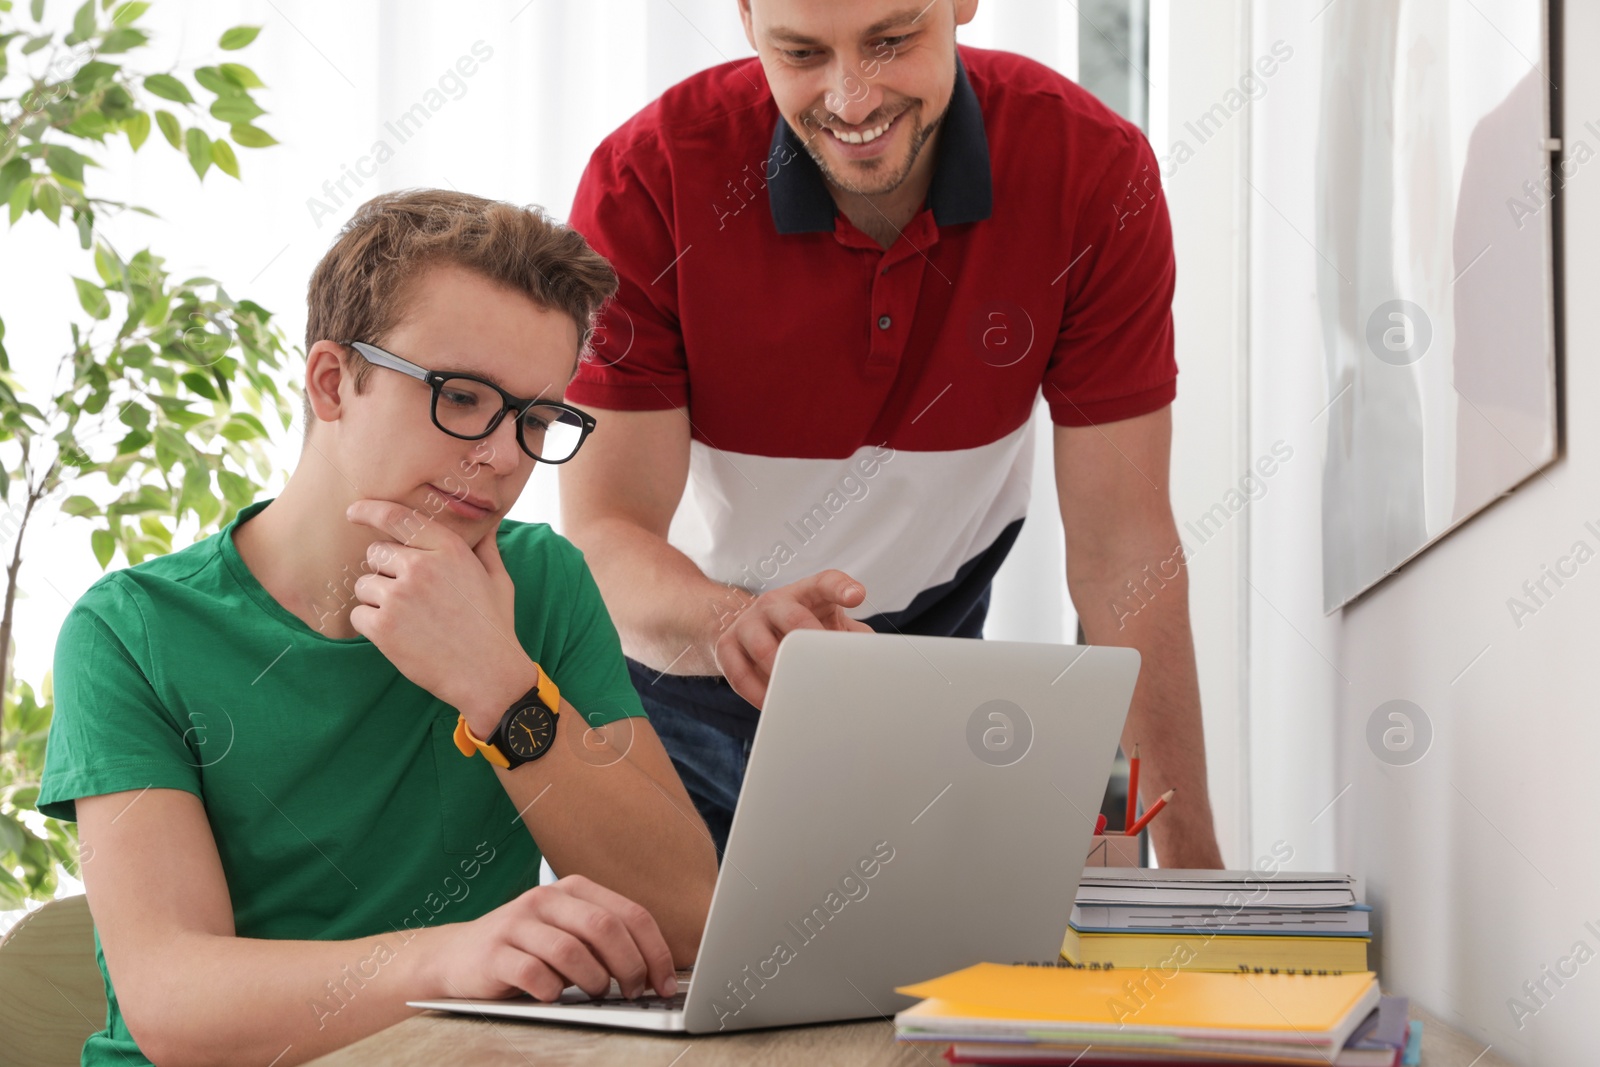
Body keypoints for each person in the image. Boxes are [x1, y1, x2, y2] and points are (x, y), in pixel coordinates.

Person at [36, 190, 718, 1067]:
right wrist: (452, 958)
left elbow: (689, 919)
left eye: (537, 419)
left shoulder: (540, 584)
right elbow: (174, 1001)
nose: (505, 455)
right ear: (331, 382)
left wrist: (500, 688)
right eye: (463, 397)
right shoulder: (131, 630)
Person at [559, 0, 1225, 868]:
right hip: (674, 685)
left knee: (935, 993)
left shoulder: (1090, 172)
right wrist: (735, 622)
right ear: (748, 18)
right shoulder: (646, 181)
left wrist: (1195, 869)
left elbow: (1124, 550)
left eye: (890, 40)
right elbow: (607, 535)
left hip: (926, 678)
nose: (851, 98)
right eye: (801, 52)